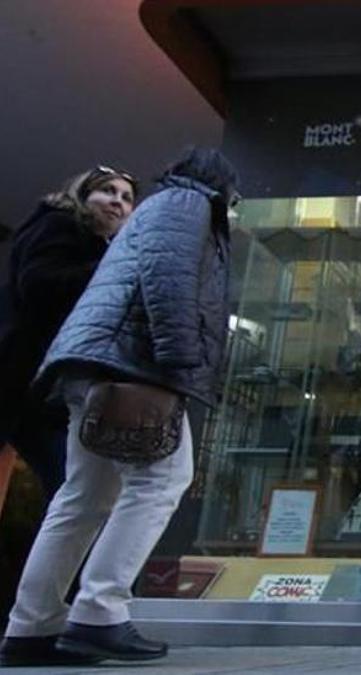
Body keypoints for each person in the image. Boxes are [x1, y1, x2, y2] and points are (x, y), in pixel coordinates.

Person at [0, 148, 238, 667]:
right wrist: (179, 361)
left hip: (95, 364)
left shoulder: (162, 206)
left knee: (83, 494)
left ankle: (30, 626)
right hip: (134, 366)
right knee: (162, 479)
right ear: (221, 186)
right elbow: (170, 281)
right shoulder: (186, 205)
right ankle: (99, 613)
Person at [0, 167, 138, 500]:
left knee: (73, 489)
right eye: (107, 191)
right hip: (27, 382)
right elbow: (39, 285)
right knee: (73, 490)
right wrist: (110, 273)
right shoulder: (58, 225)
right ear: (83, 194)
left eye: (126, 198)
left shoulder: (94, 246)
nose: (117, 202)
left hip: (42, 388)